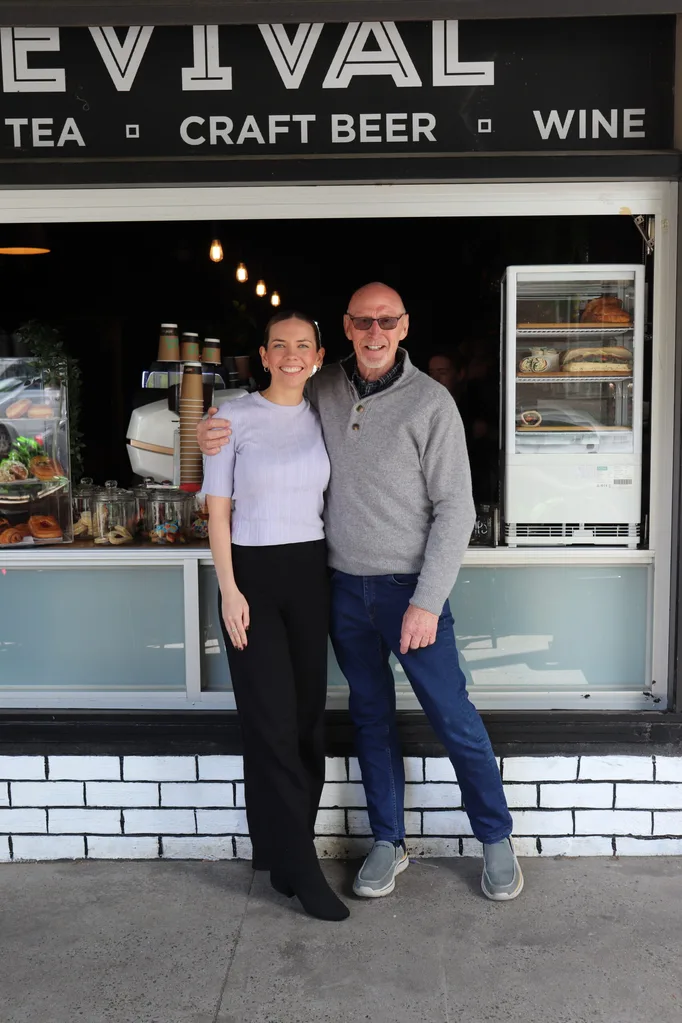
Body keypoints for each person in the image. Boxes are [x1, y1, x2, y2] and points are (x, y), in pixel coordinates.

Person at [198, 283, 523, 904]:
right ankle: (387, 840)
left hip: (410, 592)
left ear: (405, 327)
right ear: (345, 329)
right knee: (371, 719)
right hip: (342, 588)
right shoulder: (322, 386)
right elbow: (262, 422)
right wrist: (209, 433)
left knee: (452, 715)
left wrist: (427, 600)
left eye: (387, 321)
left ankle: (495, 837)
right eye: (363, 322)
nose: (376, 332)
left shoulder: (431, 402)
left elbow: (456, 509)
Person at [202, 309, 349, 922]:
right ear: (263, 356)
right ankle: (303, 865)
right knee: (271, 723)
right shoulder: (231, 417)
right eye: (280, 345)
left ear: (318, 356)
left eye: (303, 345)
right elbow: (217, 512)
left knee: (307, 722)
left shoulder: (326, 416)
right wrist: (229, 590)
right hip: (251, 577)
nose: (292, 355)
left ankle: (282, 856)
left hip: (310, 573)